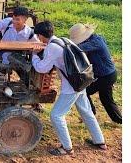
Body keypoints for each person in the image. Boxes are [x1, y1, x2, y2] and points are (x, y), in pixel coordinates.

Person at [32, 21, 107, 156]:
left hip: (71, 87)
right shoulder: (63, 40)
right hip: (82, 80)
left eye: (38, 36)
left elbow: (42, 68)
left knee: (56, 115)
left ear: (40, 36)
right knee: (86, 111)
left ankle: (66, 148)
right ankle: (99, 141)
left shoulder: (51, 48)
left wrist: (34, 55)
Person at [69, 23, 122, 124]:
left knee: (84, 91)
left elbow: (77, 49)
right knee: (107, 100)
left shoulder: (95, 42)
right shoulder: (96, 38)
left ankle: (90, 115)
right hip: (108, 74)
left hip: (105, 76)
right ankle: (119, 120)